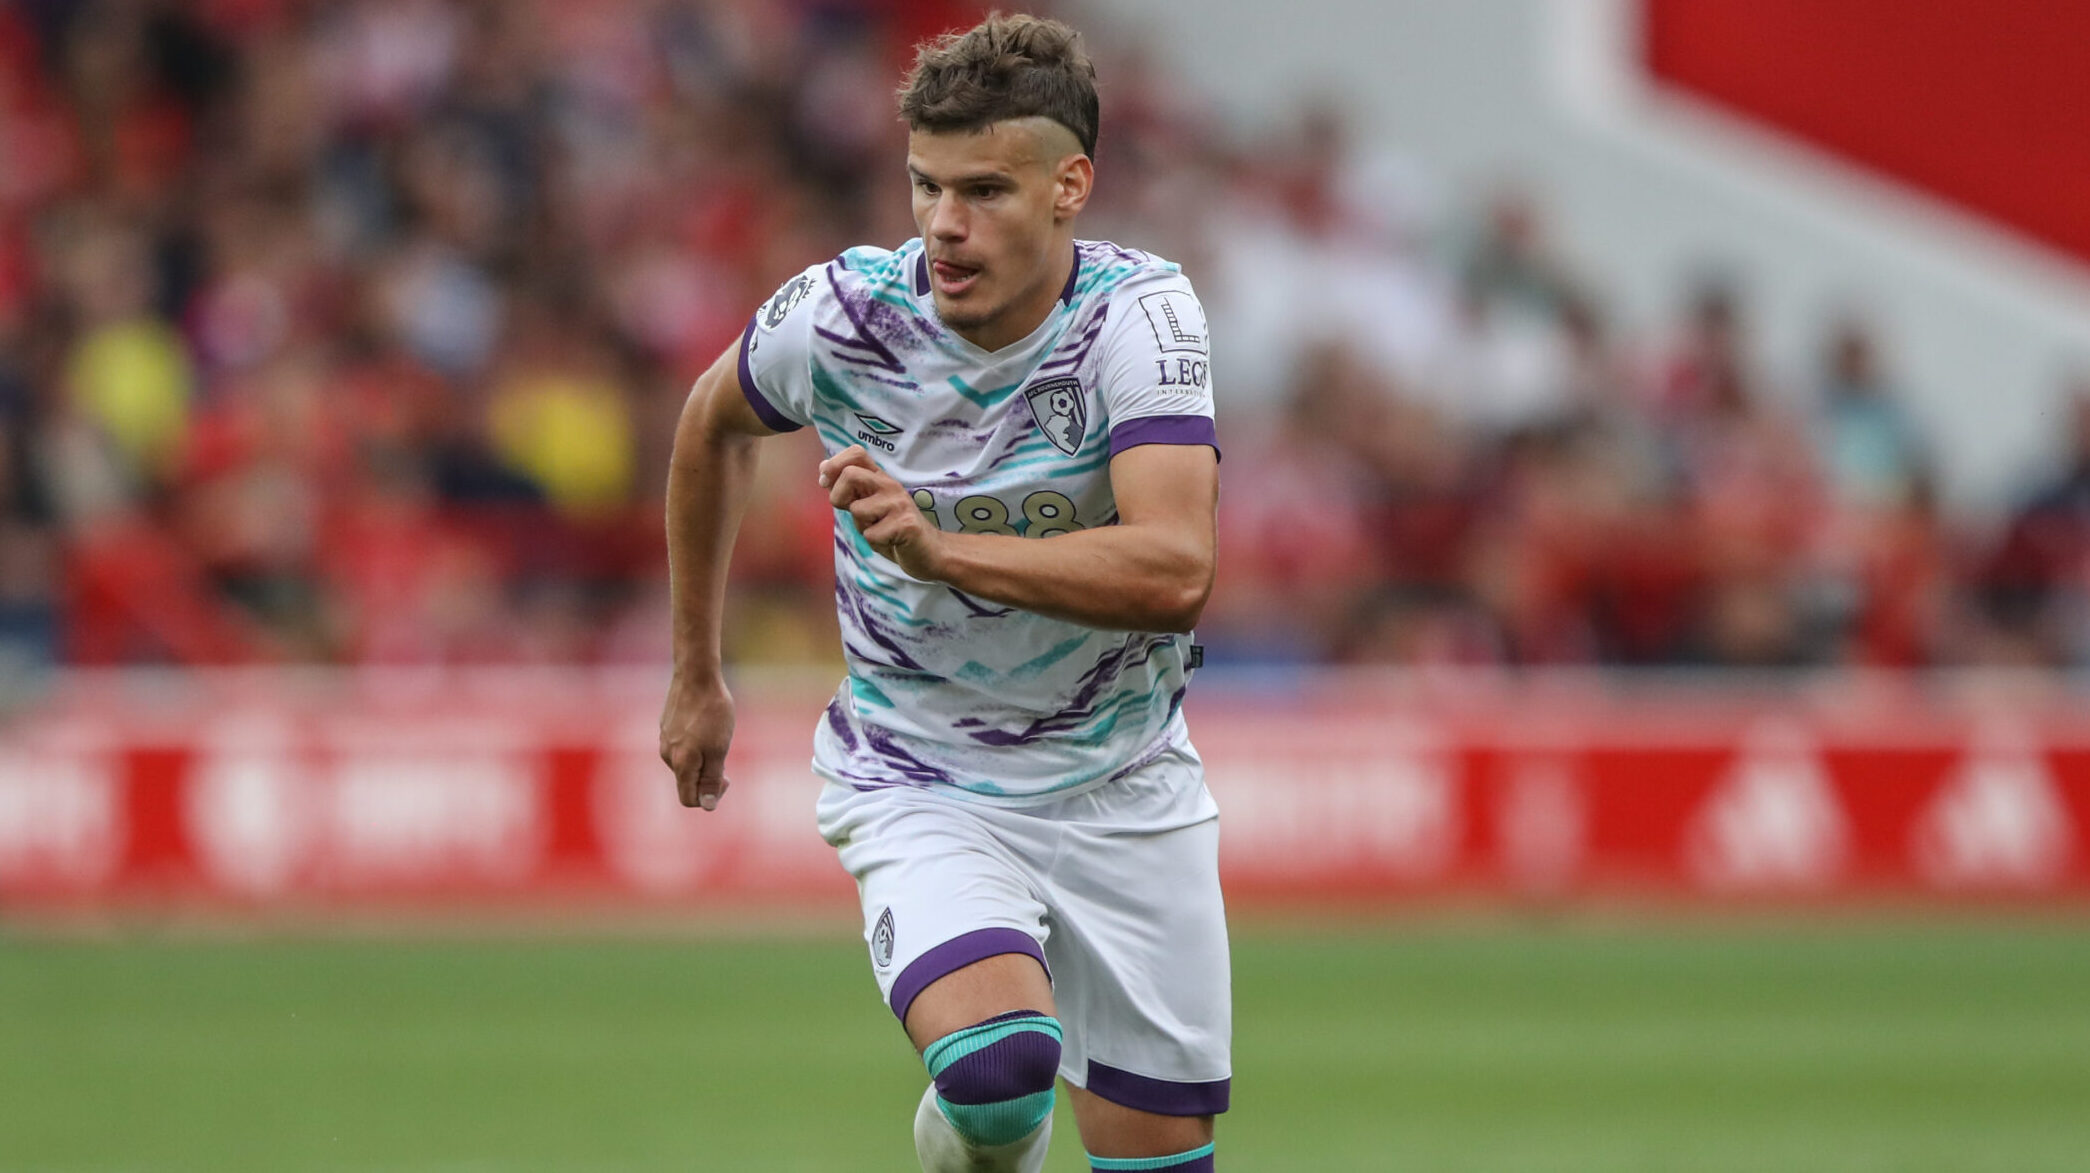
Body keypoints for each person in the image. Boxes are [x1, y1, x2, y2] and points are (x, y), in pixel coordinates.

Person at [658, 14, 1228, 1173]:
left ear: (1070, 185)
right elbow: (710, 425)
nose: (943, 226)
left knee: (1157, 1158)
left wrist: (940, 551)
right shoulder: (845, 317)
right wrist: (695, 672)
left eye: (983, 190)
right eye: (923, 186)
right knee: (995, 1073)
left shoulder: (1138, 319)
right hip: (923, 773)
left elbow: (1175, 571)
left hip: (1125, 780)